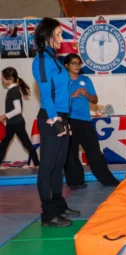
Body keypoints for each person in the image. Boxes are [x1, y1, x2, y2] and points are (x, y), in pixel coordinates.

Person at [32, 17, 80, 228]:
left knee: (59, 165)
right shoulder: (42, 59)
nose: (62, 38)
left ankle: (59, 206)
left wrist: (65, 119)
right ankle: (48, 215)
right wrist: (56, 120)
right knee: (47, 167)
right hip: (51, 117)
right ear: (48, 35)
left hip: (62, 116)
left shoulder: (55, 60)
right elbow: (45, 94)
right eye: (59, 34)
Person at [63, 53, 120, 189]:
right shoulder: (63, 81)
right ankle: (76, 182)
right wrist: (73, 95)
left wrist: (87, 94)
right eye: (73, 63)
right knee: (71, 152)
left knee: (94, 151)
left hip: (85, 119)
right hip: (70, 119)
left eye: (78, 63)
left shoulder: (86, 80)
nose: (76, 66)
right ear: (67, 65)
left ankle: (108, 179)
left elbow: (95, 100)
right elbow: (58, 100)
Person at [0, 67, 40, 167]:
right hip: (13, 123)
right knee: (5, 144)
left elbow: (18, 110)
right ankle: (37, 163)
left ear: (10, 78)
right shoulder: (12, 90)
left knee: (21, 144)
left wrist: (5, 115)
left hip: (16, 123)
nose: (1, 78)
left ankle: (38, 164)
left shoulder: (14, 91)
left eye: (3, 77)